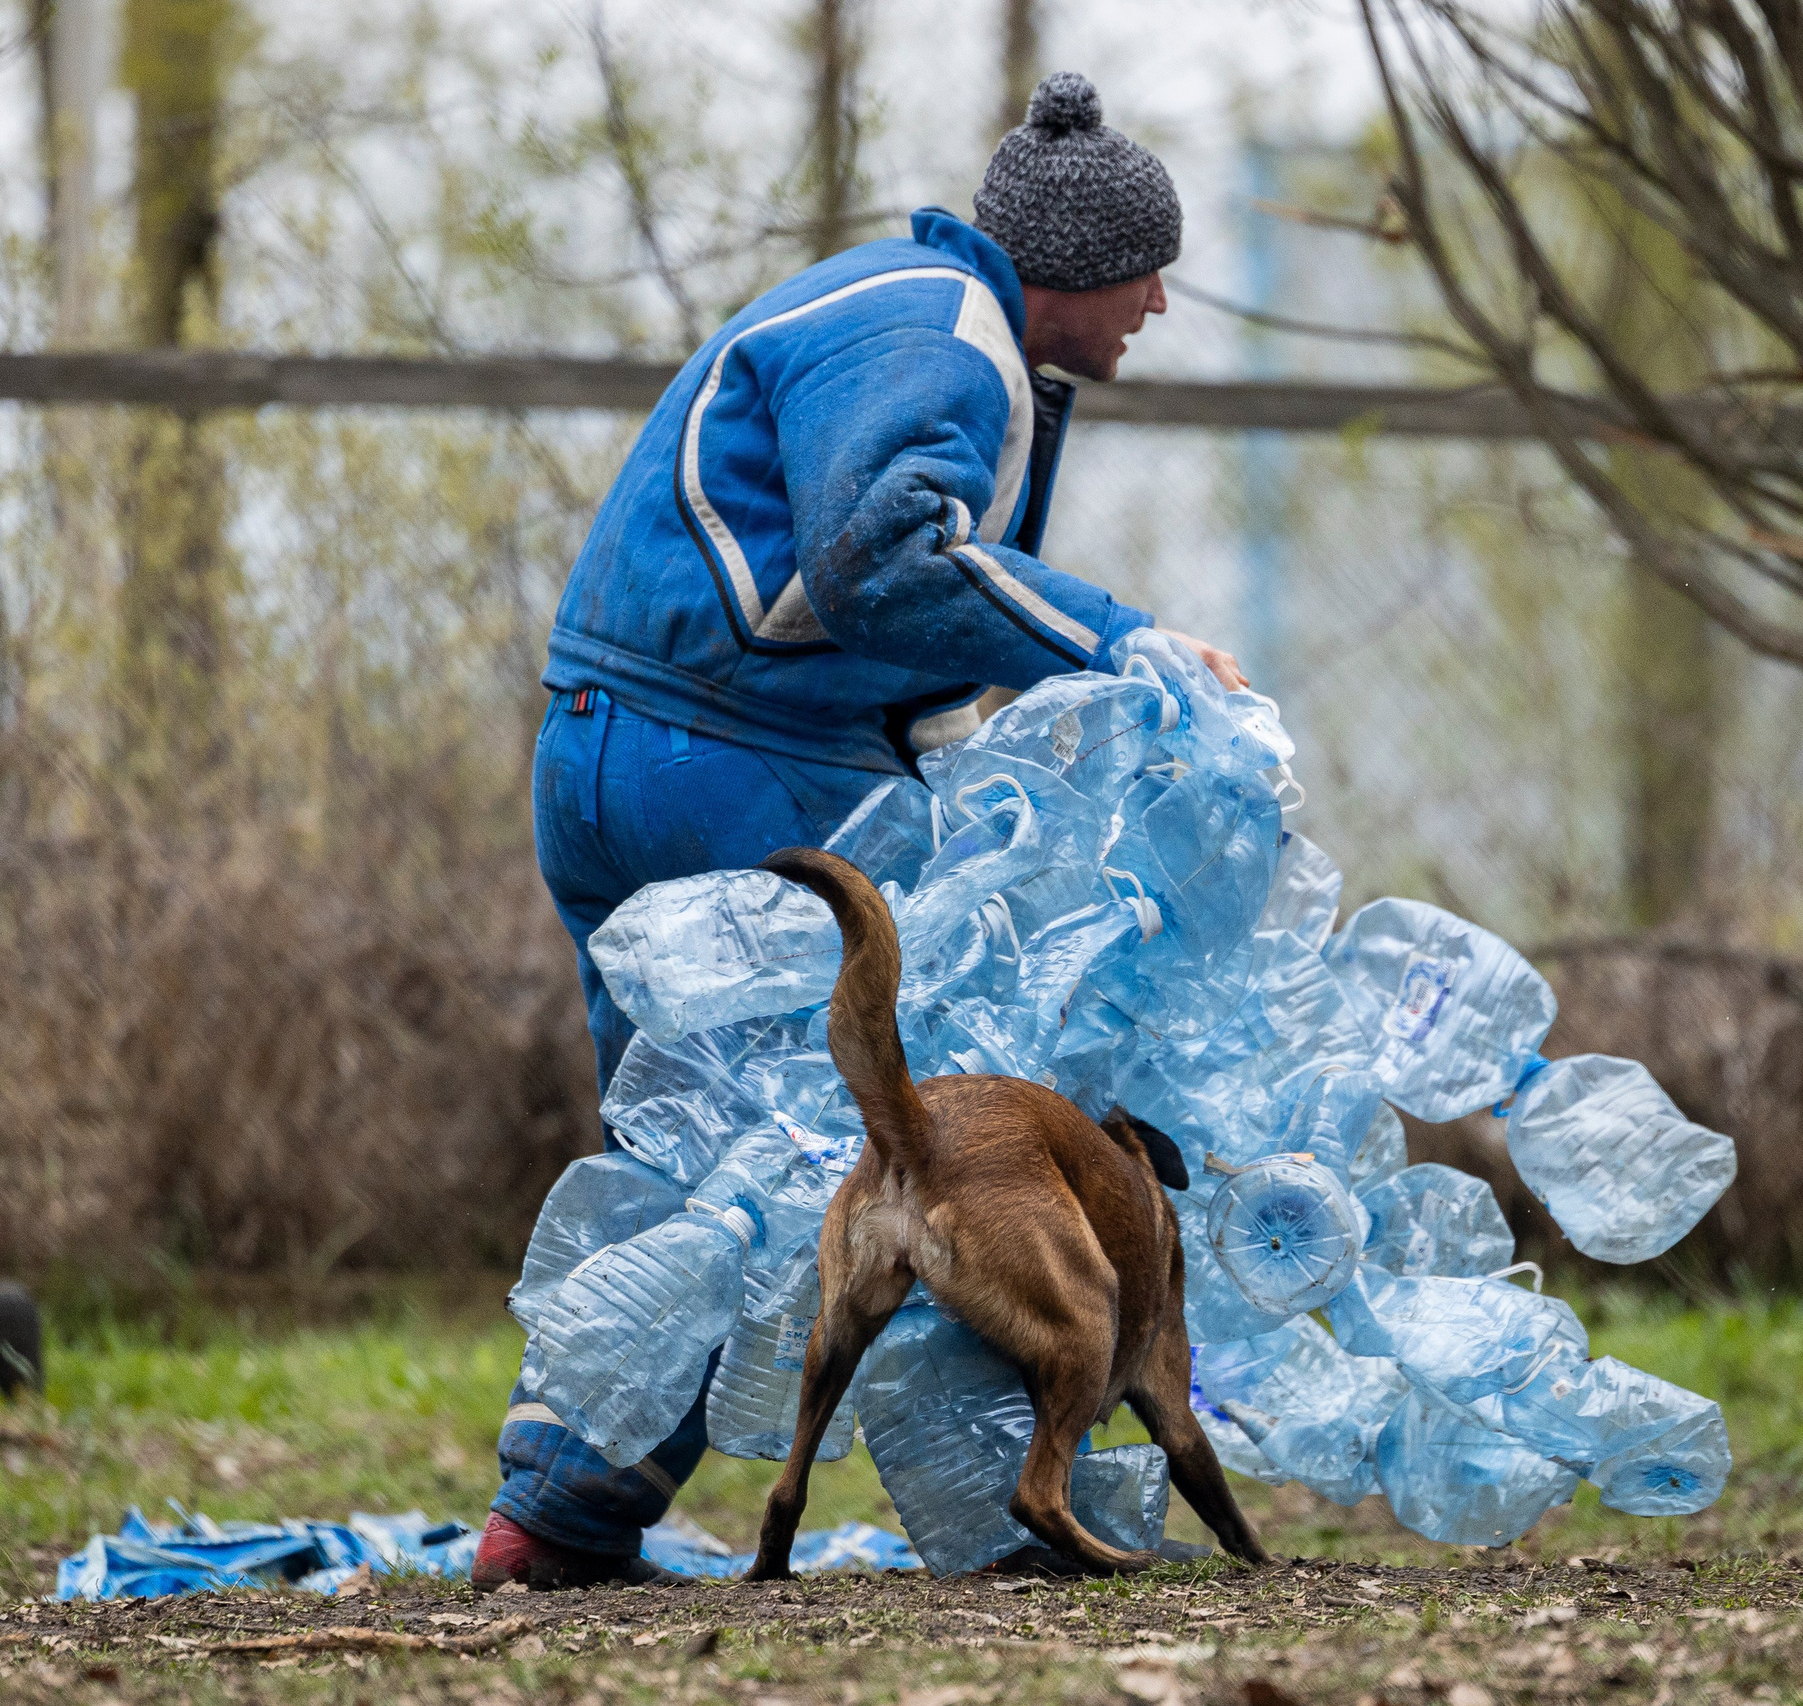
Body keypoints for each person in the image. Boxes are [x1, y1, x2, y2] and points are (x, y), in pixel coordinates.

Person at [472, 72, 1247, 1591]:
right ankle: (1010, 1514)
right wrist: (1123, 644)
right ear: (1070, 266)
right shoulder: (947, 332)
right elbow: (884, 551)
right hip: (725, 763)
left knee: (688, 1159)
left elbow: (878, 602)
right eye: (1144, 270)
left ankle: (556, 1517)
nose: (1158, 301)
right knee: (891, 1124)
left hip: (616, 742)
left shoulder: (909, 314)